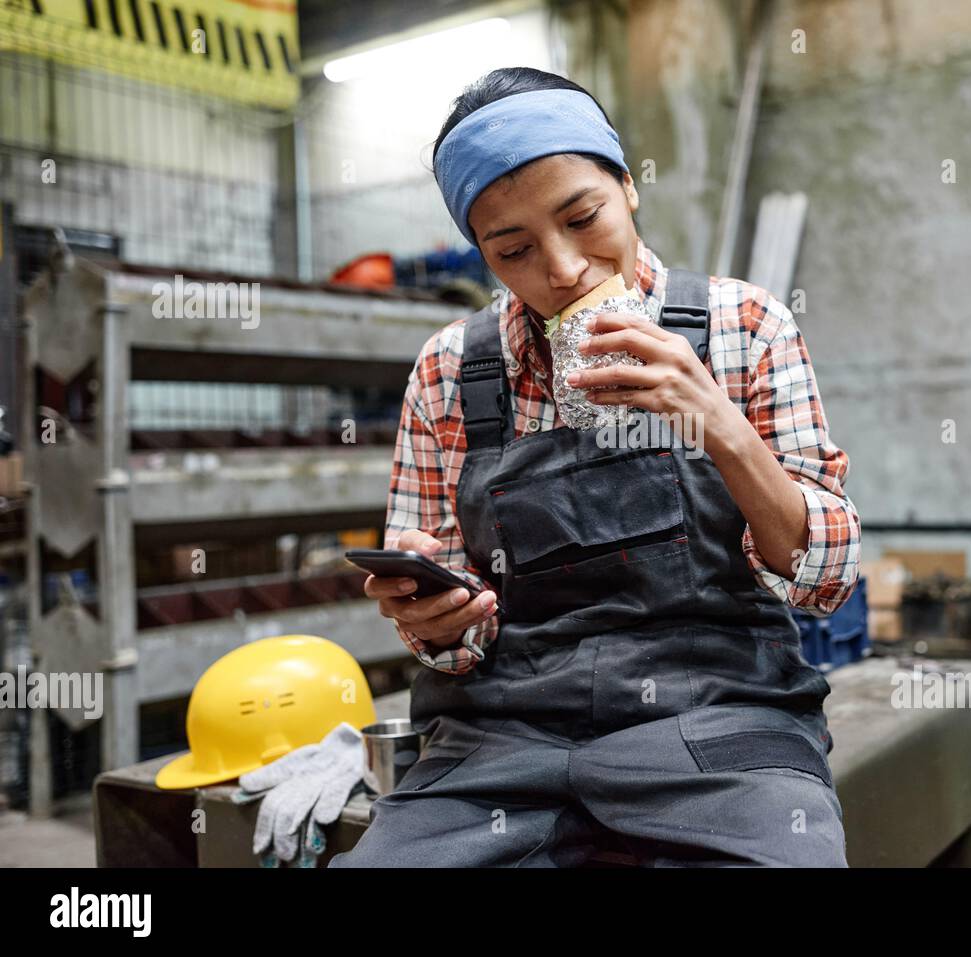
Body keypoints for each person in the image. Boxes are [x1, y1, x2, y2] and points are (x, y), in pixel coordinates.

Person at [329, 67, 861, 868]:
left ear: (627, 186)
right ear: (483, 254)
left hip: (718, 722)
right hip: (502, 740)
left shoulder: (743, 326)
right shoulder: (447, 372)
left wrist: (718, 422)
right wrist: (437, 622)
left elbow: (826, 579)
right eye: (514, 249)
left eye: (584, 217)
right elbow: (446, 632)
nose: (566, 267)